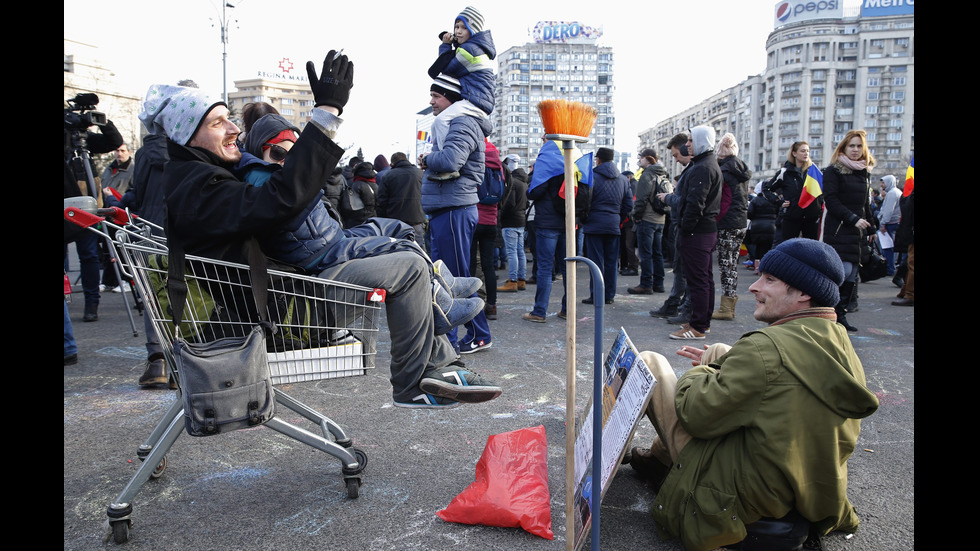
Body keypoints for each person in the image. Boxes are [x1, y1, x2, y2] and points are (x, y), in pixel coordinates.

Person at [142, 50, 500, 410]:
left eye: (229, 119)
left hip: (279, 297)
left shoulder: (199, 177)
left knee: (404, 254)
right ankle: (414, 382)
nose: (234, 128)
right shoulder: (201, 186)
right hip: (278, 315)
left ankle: (442, 366)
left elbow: (277, 201)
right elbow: (279, 198)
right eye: (218, 123)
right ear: (187, 134)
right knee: (407, 268)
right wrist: (325, 114)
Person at [629, 238, 879, 551]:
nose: (754, 286)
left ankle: (600, 467)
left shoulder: (764, 350)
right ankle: (657, 460)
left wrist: (704, 369)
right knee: (720, 355)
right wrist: (724, 356)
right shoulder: (838, 340)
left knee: (650, 363)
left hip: (739, 497)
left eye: (769, 280)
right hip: (798, 486)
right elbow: (776, 383)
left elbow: (696, 416)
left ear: (803, 293)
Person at [419, 73, 494, 354]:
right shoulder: (457, 122)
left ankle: (471, 336)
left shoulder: (462, 122)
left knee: (455, 278)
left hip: (455, 208)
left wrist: (427, 159)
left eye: (436, 96)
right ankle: (474, 333)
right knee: (451, 276)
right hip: (449, 208)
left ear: (451, 98)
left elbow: (451, 160)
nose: (432, 101)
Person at [64, 100, 124, 323]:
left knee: (89, 255)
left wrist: (102, 122)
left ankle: (92, 304)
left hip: (85, 204)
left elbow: (114, 141)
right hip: (67, 203)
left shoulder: (82, 139)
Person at [426, 6, 495, 181]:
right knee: (439, 123)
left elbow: (446, 68)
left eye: (463, 27)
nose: (458, 31)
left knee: (441, 121)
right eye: (456, 27)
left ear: (474, 29)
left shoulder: (470, 51)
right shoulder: (474, 47)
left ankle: (446, 164)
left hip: (475, 101)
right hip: (476, 99)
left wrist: (445, 45)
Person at [665, 126, 721, 340]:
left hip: (697, 232)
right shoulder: (706, 164)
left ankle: (698, 327)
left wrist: (686, 230)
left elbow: (695, 204)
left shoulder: (702, 167)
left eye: (690, 140)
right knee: (704, 279)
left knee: (698, 281)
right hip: (703, 230)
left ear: (701, 140)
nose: (686, 144)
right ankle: (701, 322)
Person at [822, 130, 877, 332]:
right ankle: (828, 314)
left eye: (859, 146)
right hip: (839, 229)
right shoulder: (833, 171)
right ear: (843, 148)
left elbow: (866, 203)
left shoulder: (864, 173)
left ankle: (840, 316)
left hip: (859, 231)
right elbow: (831, 200)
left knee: (852, 275)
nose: (855, 150)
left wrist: (872, 225)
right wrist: (853, 219)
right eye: (851, 146)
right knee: (841, 272)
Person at [581, 147, 633, 305]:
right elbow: (628, 204)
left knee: (595, 263)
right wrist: (617, 218)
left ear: (598, 160)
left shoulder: (592, 176)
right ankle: (609, 295)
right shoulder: (623, 179)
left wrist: (585, 218)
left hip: (594, 224)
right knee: (611, 262)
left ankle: (596, 295)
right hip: (613, 225)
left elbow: (584, 200)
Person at [712, 133, 752, 321]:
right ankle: (729, 306)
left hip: (727, 222)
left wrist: (716, 220)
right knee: (732, 263)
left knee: (726, 264)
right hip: (741, 221)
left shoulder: (724, 172)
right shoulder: (741, 169)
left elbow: (723, 200)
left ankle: (726, 308)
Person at [651, 137, 691, 320]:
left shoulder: (697, 171)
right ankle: (680, 303)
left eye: (675, 154)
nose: (675, 159)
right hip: (684, 226)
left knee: (685, 269)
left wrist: (668, 198)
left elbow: (687, 202)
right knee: (682, 267)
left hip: (689, 228)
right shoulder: (693, 170)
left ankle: (679, 304)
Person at [629, 148, 671, 295]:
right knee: (657, 253)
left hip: (647, 219)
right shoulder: (663, 174)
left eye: (641, 158)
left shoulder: (647, 175)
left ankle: (646, 284)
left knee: (645, 254)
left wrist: (635, 215)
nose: (639, 160)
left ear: (647, 159)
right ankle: (659, 284)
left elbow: (641, 200)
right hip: (661, 219)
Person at [768, 141, 823, 243]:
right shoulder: (785, 172)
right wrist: (779, 202)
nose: (806, 153)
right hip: (792, 217)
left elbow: (823, 191)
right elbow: (766, 189)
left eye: (808, 151)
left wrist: (819, 207)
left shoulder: (814, 171)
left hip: (811, 218)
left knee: (811, 249)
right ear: (794, 153)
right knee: (788, 248)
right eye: (803, 151)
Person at [377, 151, 427, 245]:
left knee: (398, 253)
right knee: (419, 251)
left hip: (395, 224)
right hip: (417, 220)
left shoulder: (388, 176)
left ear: (392, 163)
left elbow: (381, 202)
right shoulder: (420, 174)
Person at [497, 154, 528, 293]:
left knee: (512, 252)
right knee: (520, 252)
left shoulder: (512, 182)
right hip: (521, 219)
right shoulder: (523, 182)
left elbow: (509, 203)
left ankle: (512, 281)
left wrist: (500, 213)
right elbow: (526, 203)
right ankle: (521, 279)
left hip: (510, 221)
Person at [877, 174, 902, 276]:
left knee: (887, 248)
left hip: (889, 224)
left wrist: (883, 223)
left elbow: (888, 211)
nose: (882, 184)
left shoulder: (892, 194)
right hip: (894, 223)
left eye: (883, 182)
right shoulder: (897, 192)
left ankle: (889, 269)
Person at [619, 170, 640, 277]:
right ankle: (629, 266)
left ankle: (633, 267)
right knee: (627, 244)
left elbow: (630, 203)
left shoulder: (632, 186)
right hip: (630, 219)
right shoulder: (634, 184)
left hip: (630, 220)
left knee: (628, 245)